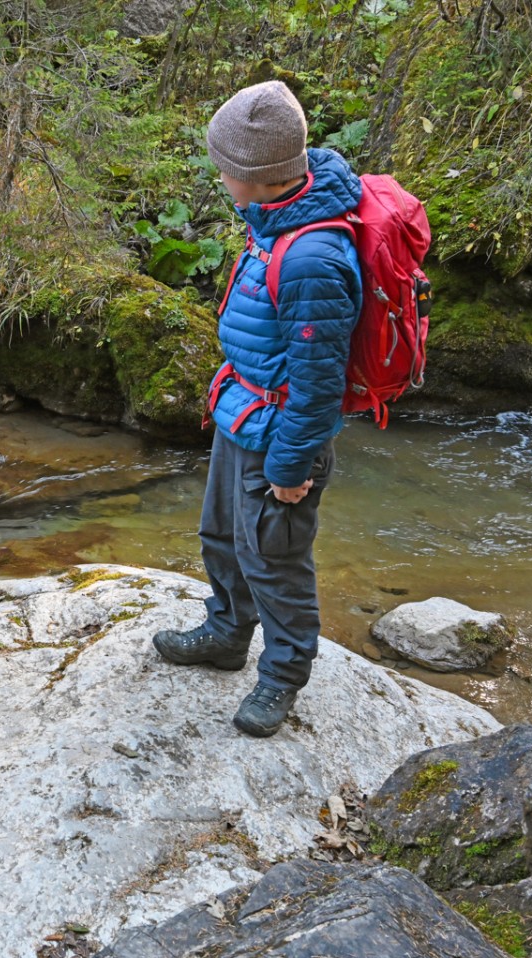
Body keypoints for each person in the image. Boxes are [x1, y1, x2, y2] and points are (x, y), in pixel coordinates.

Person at [152, 80, 362, 738]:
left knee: (276, 559)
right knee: (222, 538)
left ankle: (283, 676)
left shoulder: (311, 260)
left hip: (281, 436)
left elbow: (319, 384)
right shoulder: (275, 219)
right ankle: (225, 634)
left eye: (225, 166)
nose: (218, 176)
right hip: (243, 414)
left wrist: (292, 466)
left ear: (258, 176)